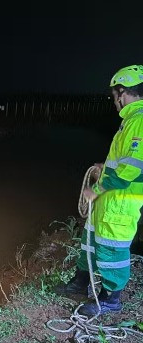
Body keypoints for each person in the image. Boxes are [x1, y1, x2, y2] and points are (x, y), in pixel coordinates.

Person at [57, 64, 143, 316]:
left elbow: (132, 170)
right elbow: (126, 161)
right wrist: (104, 167)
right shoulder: (130, 122)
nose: (113, 101)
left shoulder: (139, 122)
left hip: (120, 204)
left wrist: (98, 188)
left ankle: (110, 298)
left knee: (112, 251)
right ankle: (80, 282)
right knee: (90, 243)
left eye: (114, 95)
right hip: (109, 201)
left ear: (122, 92)